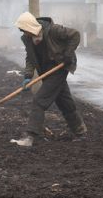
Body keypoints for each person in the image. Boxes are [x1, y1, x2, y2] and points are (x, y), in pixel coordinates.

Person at [10, 11, 87, 148]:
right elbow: (30, 58)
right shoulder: (28, 39)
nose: (23, 32)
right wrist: (28, 76)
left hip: (59, 68)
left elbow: (75, 35)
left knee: (39, 100)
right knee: (65, 102)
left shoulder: (53, 30)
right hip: (46, 71)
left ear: (30, 26)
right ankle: (81, 132)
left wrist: (68, 54)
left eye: (23, 29)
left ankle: (30, 136)